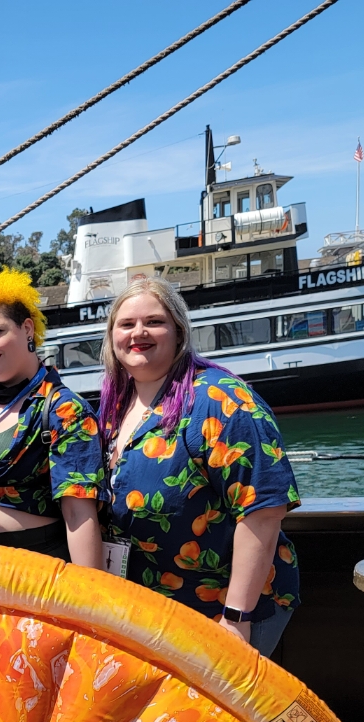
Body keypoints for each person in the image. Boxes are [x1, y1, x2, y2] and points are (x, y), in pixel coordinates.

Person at [98, 277, 300, 656]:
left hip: (220, 610)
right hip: (153, 607)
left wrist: (236, 619)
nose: (138, 333)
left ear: (178, 331)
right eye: (126, 324)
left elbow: (264, 511)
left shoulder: (221, 401)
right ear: (112, 337)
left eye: (154, 322)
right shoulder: (115, 405)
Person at [0, 269, 104, 568]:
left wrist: (91, 598)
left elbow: (79, 514)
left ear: (27, 328)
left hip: (31, 570)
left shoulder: (65, 410)